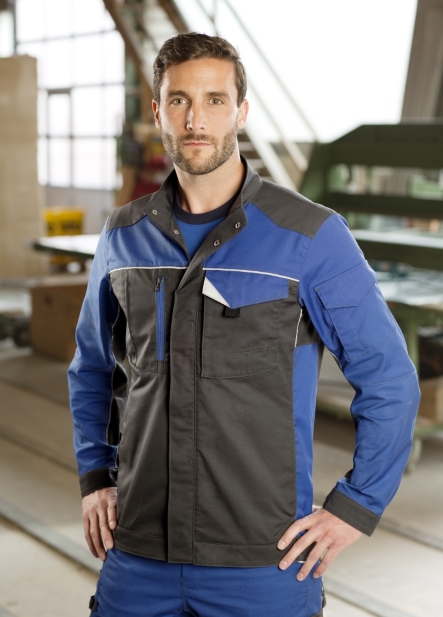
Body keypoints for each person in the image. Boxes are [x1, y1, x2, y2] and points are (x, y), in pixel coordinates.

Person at [68, 33, 420, 617]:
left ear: (241, 111)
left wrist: (356, 507)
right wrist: (95, 478)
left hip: (264, 558)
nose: (196, 120)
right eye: (179, 100)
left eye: (214, 100)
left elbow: (389, 378)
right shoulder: (123, 236)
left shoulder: (310, 236)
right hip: (138, 549)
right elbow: (93, 370)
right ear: (158, 112)